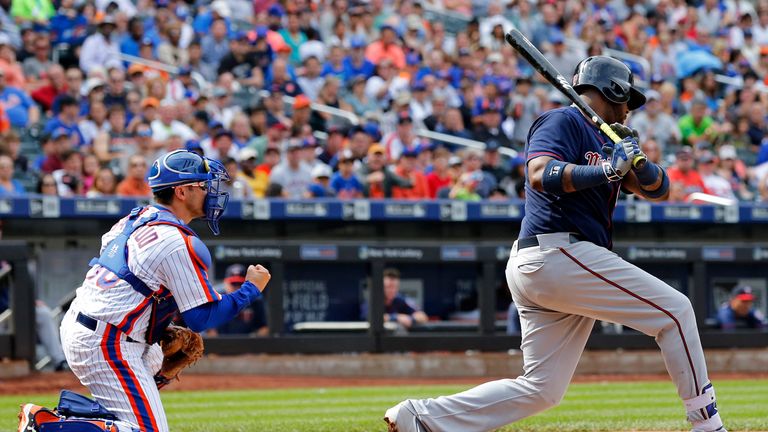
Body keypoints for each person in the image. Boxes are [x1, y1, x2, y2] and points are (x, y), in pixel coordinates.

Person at [384, 56, 725, 432]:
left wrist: (638, 162)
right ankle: (707, 424)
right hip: (557, 252)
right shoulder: (563, 121)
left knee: (542, 389)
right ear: (612, 90)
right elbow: (538, 173)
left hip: (555, 264)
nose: (629, 108)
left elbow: (659, 190)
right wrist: (607, 170)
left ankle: (420, 416)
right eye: (627, 98)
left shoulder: (607, 139)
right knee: (675, 313)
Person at [58, 150, 272, 432]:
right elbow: (201, 318)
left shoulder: (133, 218)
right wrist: (250, 289)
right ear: (181, 192)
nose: (210, 192)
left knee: (155, 363)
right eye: (203, 185)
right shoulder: (174, 240)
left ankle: (86, 418)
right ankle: (49, 426)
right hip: (107, 341)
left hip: (92, 326)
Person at [361, 267, 427, 330]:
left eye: (395, 287)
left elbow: (423, 316)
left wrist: (410, 319)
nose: (392, 290)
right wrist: (396, 317)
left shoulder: (401, 300)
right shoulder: (372, 301)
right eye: (389, 287)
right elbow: (371, 318)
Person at [211, 264, 268, 336]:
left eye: (240, 284)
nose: (237, 287)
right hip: (221, 341)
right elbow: (210, 331)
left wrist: (254, 338)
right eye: (233, 284)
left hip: (248, 341)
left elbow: (263, 328)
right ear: (225, 283)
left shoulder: (255, 300)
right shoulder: (216, 300)